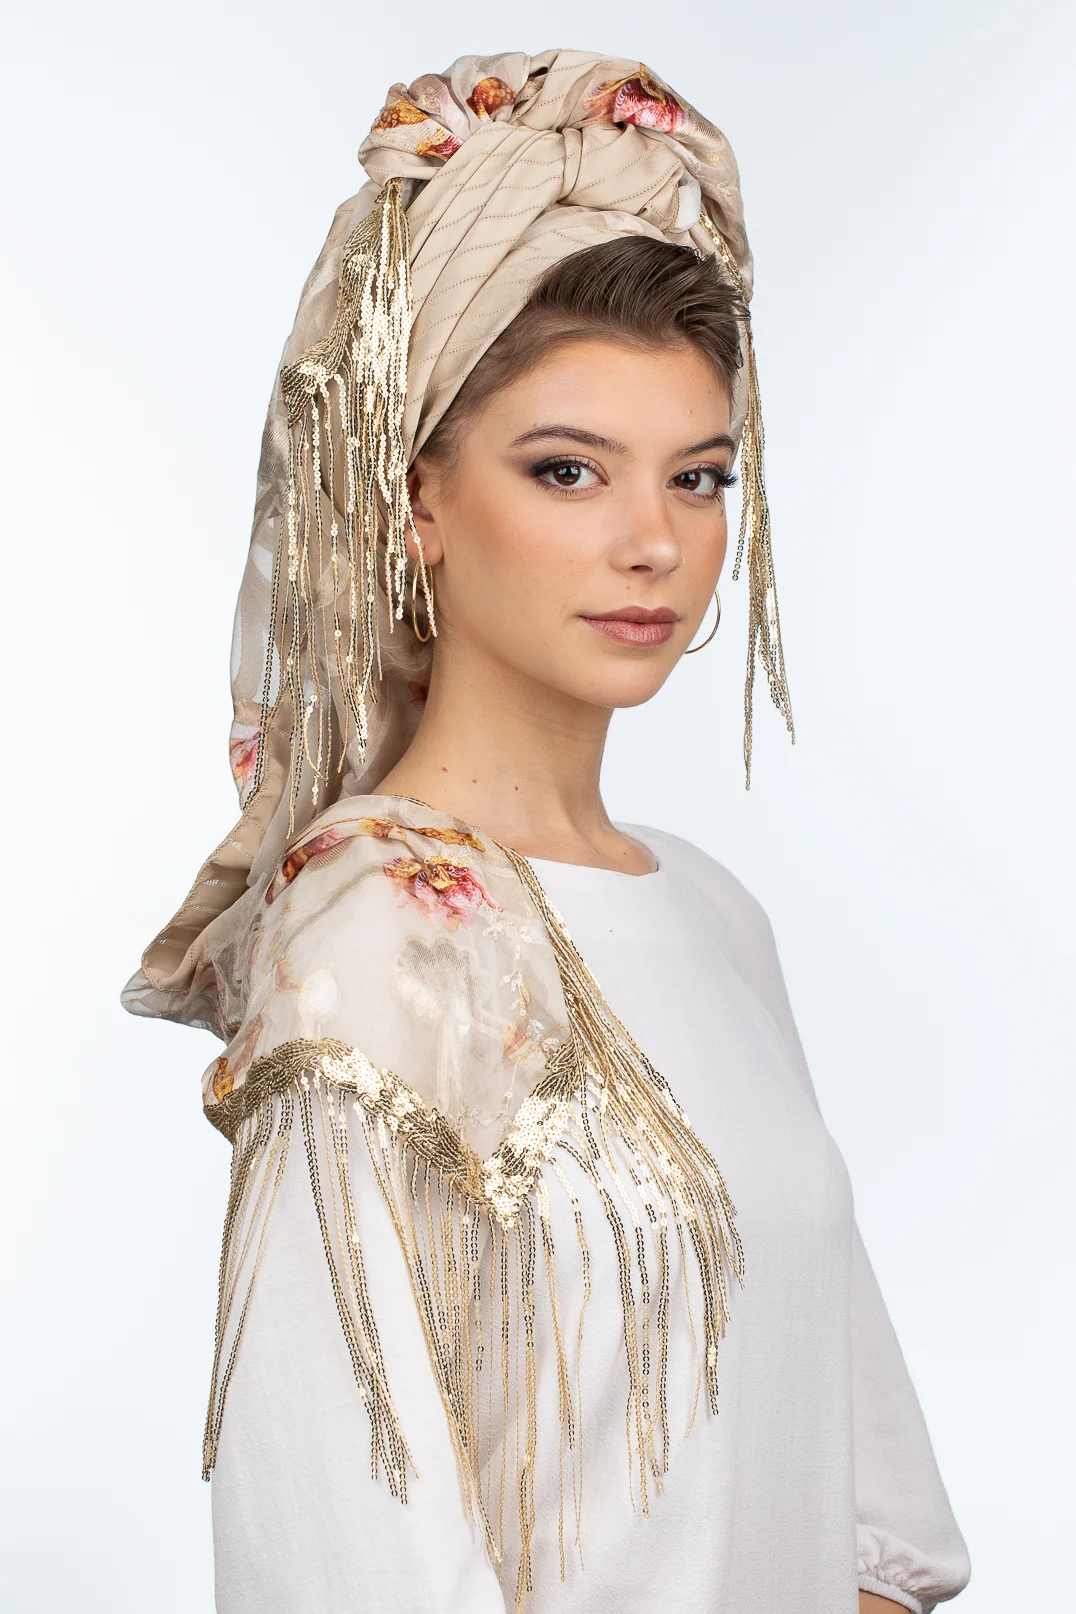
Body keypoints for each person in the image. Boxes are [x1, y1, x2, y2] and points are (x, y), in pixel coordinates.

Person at [122, 48, 971, 1614]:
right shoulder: (368, 931)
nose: (654, 541)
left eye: (699, 477)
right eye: (567, 470)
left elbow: (868, 1516)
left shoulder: (714, 916)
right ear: (418, 501)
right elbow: (339, 1560)